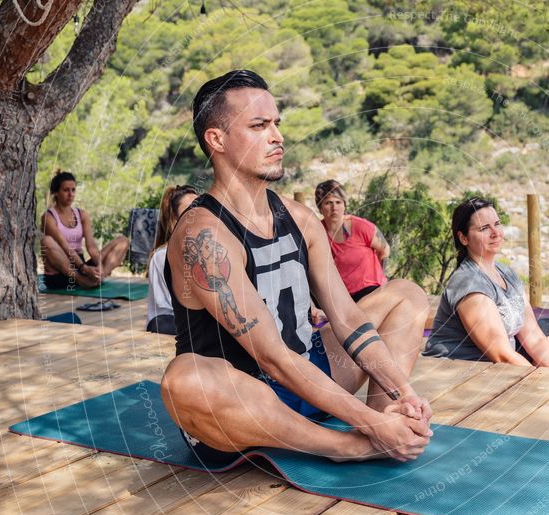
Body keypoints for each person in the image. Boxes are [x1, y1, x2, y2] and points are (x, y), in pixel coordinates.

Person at [160, 70, 433, 466]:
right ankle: (354, 445)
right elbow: (271, 358)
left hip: (313, 373)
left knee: (406, 295)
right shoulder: (203, 236)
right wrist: (369, 428)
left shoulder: (301, 218)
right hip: (249, 405)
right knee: (183, 380)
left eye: (276, 124)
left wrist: (402, 394)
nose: (277, 137)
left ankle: (394, 425)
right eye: (259, 126)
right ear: (216, 140)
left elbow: (348, 317)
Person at [424, 197, 549, 369]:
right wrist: (541, 383)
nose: (495, 232)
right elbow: (502, 355)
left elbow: (534, 339)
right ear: (463, 238)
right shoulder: (469, 283)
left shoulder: (506, 273)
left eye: (497, 224)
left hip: (492, 361)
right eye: (484, 228)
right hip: (461, 370)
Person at [40, 171, 129, 289]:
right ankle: (83, 281)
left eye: (73, 190)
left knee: (123, 241)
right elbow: (64, 245)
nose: (70, 194)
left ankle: (99, 277)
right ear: (56, 192)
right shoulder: (48, 217)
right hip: (60, 273)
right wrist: (84, 268)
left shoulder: (82, 214)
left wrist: (99, 266)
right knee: (46, 241)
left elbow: (91, 246)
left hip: (81, 267)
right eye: (66, 190)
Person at [315, 179, 390, 303]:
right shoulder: (317, 231)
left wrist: (381, 278)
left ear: (344, 205)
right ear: (320, 207)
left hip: (370, 290)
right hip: (340, 296)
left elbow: (385, 249)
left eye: (338, 202)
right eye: (328, 203)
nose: (334, 208)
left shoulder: (361, 227)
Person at [146, 185, 199, 335]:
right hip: (171, 322)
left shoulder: (209, 251)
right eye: (189, 210)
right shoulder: (161, 257)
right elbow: (165, 306)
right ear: (175, 219)